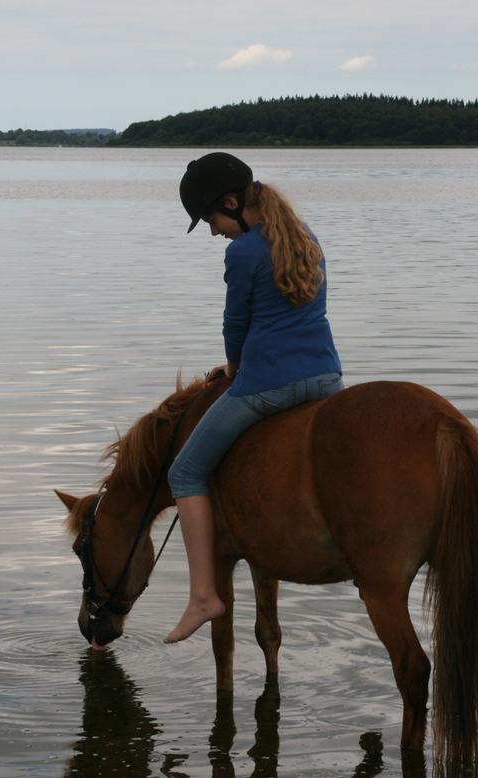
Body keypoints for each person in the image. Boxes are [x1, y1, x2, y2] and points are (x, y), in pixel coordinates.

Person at [164, 152, 344, 643]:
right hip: (326, 378)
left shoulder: (242, 253)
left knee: (184, 471)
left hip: (268, 384)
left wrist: (234, 367)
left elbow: (236, 326)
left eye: (211, 219)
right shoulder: (305, 236)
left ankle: (204, 594)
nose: (213, 230)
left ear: (231, 203)